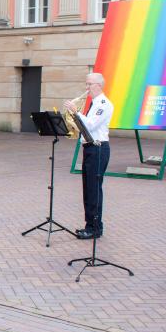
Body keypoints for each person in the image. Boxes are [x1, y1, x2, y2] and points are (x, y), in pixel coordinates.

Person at [65, 72, 113, 240]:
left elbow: (91, 125)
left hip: (98, 149)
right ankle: (89, 225)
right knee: (88, 189)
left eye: (89, 84)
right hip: (89, 148)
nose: (86, 88)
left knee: (94, 189)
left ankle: (95, 228)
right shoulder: (93, 103)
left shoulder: (104, 104)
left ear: (98, 85)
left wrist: (76, 112)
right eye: (86, 84)